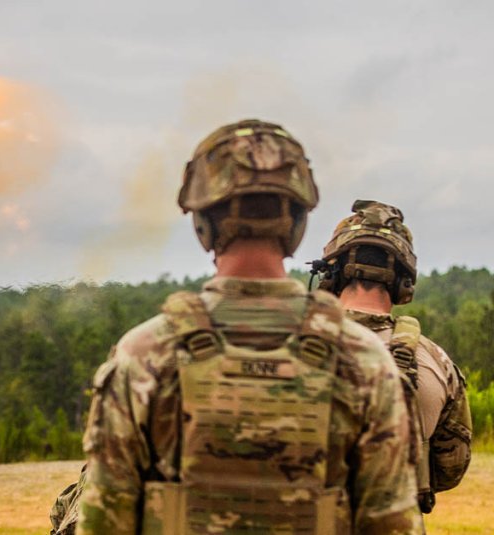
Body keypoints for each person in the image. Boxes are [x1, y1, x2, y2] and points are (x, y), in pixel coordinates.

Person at [78, 119, 422, 534]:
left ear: (203, 224)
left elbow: (102, 523)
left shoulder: (145, 354)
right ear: (296, 225)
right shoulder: (364, 361)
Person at [316, 199, 472, 515]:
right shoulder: (436, 362)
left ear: (331, 273)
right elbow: (450, 467)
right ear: (404, 283)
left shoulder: (288, 343)